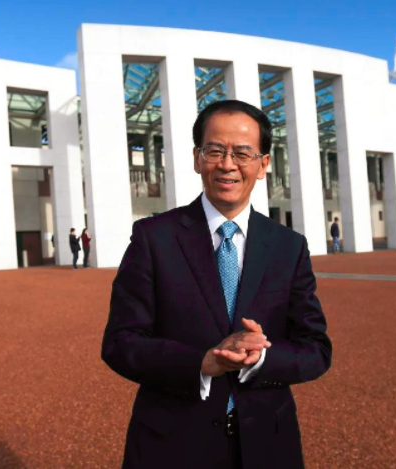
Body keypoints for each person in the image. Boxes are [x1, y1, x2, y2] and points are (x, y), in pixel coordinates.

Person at [102, 100, 332, 469]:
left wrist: (261, 359)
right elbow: (121, 341)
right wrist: (202, 363)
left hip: (267, 444)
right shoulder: (153, 238)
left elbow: (315, 348)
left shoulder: (289, 246)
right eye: (214, 151)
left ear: (263, 164)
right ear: (197, 158)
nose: (227, 164)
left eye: (242, 153)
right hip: (172, 445)